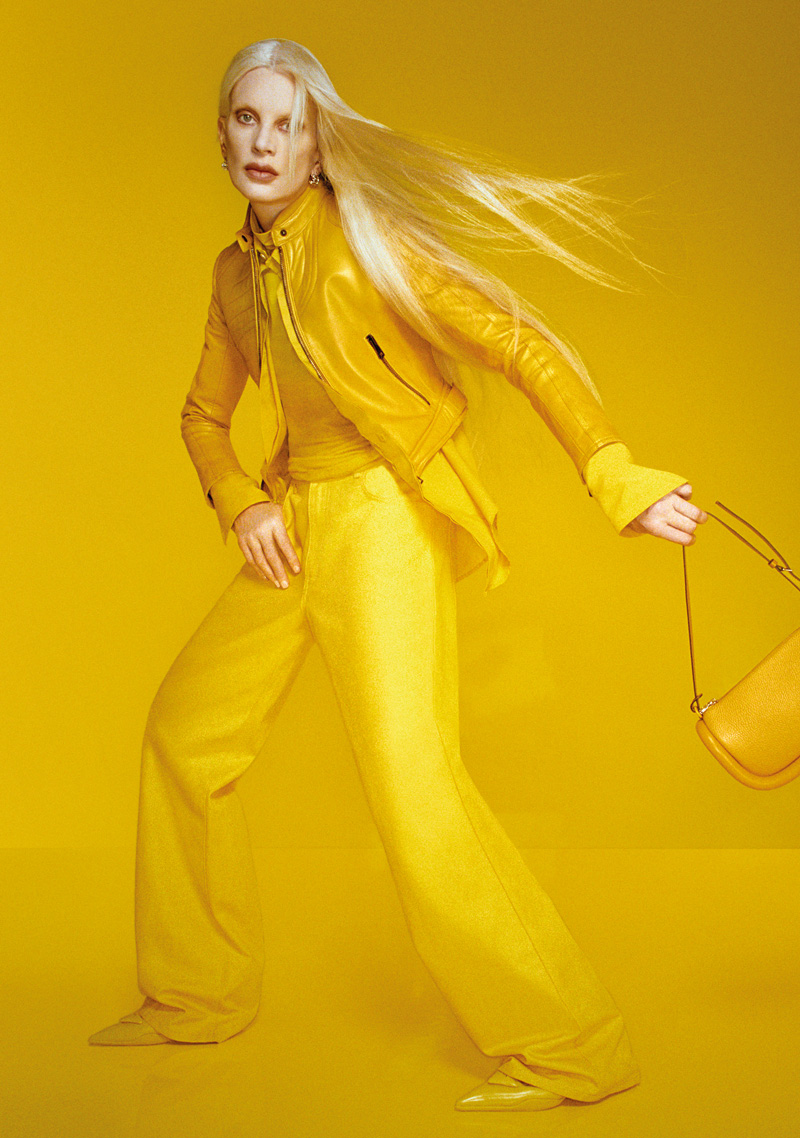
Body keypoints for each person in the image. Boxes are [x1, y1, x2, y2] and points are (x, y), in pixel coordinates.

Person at [88, 38, 707, 1113]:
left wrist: (614, 474)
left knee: (414, 790)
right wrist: (242, 502)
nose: (265, 142)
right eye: (247, 119)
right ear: (222, 132)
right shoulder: (235, 275)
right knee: (184, 734)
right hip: (295, 523)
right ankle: (196, 993)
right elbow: (201, 418)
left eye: (288, 123)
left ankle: (575, 1044)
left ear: (318, 142)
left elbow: (518, 343)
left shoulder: (366, 240)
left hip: (383, 516)